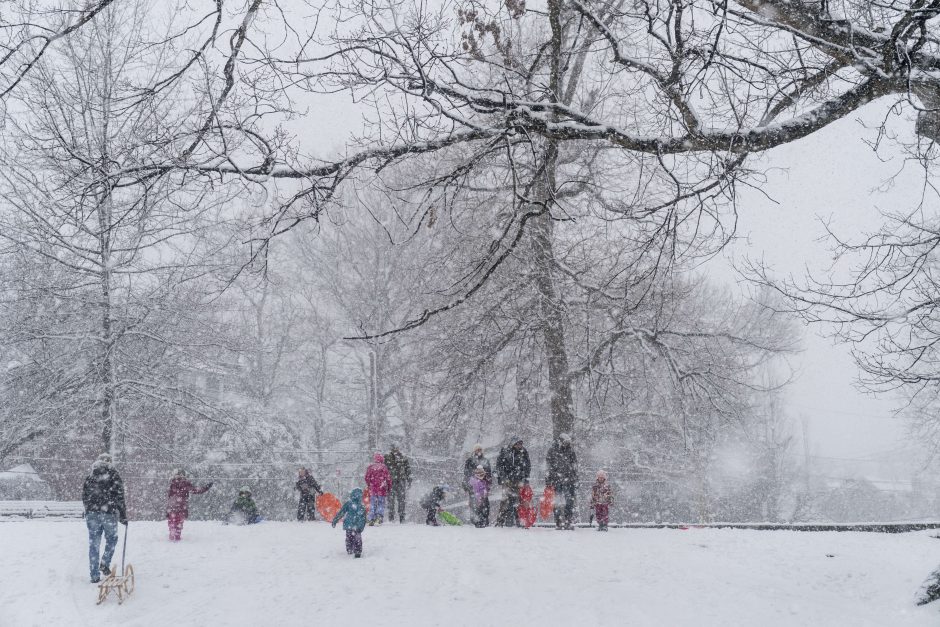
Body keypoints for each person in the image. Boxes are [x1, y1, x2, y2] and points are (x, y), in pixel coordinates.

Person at [81, 453, 127, 583]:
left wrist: (90, 509)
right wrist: (123, 515)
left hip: (92, 514)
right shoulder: (114, 474)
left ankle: (94, 575)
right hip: (108, 513)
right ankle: (105, 562)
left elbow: (84, 495)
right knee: (112, 539)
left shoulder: (90, 476)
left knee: (94, 544)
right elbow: (120, 496)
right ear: (110, 462)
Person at [166, 469, 212, 541]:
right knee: (178, 523)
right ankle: (177, 537)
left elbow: (170, 497)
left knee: (172, 522)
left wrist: (168, 509)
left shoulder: (172, 483)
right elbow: (196, 490)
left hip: (172, 507)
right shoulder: (185, 484)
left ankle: (172, 537)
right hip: (181, 507)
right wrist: (206, 487)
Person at [494, 437, 530, 527]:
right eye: (518, 444)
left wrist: (525, 478)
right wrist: (503, 477)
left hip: (519, 481)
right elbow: (499, 465)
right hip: (507, 481)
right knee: (505, 501)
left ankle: (520, 521)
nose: (520, 446)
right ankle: (500, 521)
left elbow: (527, 466)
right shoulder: (505, 451)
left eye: (521, 444)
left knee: (520, 501)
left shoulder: (524, 452)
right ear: (513, 444)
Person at [546, 432, 578, 530]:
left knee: (569, 502)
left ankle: (568, 521)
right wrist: (549, 480)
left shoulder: (571, 451)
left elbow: (575, 466)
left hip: (569, 480)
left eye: (568, 442)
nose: (566, 444)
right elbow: (548, 467)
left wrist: (575, 479)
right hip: (557, 480)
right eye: (565, 442)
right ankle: (559, 522)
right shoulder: (552, 451)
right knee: (557, 502)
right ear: (560, 441)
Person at [332, 488, 367, 558]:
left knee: (349, 537)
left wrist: (335, 520)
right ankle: (357, 551)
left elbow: (341, 512)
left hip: (349, 525)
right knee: (358, 539)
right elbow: (363, 519)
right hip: (357, 526)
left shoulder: (349, 503)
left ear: (352, 495)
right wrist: (361, 527)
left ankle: (349, 549)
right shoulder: (362, 506)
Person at [385, 444, 411, 523]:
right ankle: (391, 517)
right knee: (391, 500)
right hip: (391, 481)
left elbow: (408, 469)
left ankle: (402, 517)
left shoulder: (403, 457)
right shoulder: (387, 457)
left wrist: (409, 479)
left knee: (401, 500)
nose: (396, 449)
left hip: (401, 481)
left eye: (397, 448)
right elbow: (384, 469)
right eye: (394, 448)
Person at [364, 453, 391, 525]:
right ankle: (379, 517)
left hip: (373, 489)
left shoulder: (370, 467)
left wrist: (369, 484)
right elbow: (388, 478)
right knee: (381, 503)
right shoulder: (384, 467)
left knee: (373, 503)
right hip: (382, 489)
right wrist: (389, 487)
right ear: (382, 459)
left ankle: (371, 518)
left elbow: (367, 477)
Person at [462, 445, 491, 509]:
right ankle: (475, 517)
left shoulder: (485, 460)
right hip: (473, 487)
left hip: (483, 486)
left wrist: (487, 479)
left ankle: (483, 517)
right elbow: (466, 473)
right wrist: (475, 474)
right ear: (474, 451)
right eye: (478, 450)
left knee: (485, 506)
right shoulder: (470, 460)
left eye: (480, 449)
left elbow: (489, 473)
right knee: (474, 506)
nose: (479, 451)